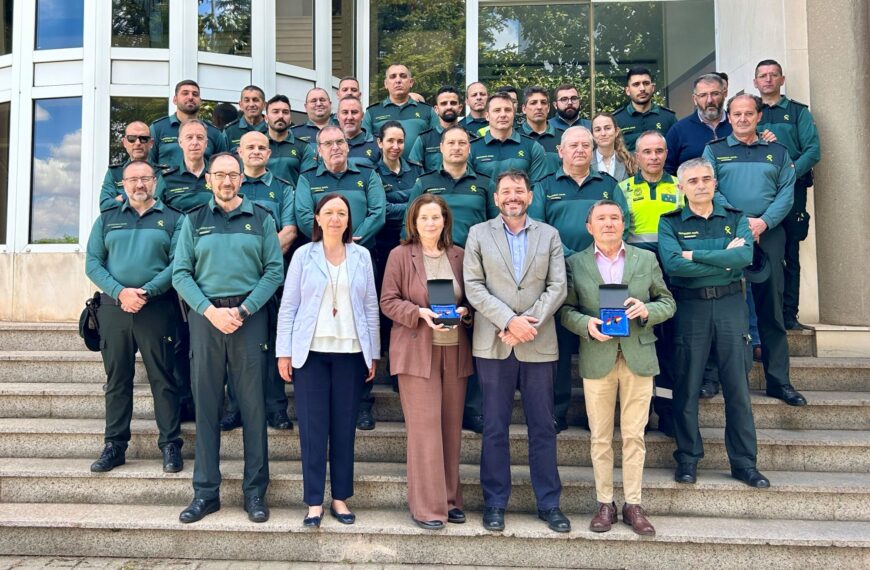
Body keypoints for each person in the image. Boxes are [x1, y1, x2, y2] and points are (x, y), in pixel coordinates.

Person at [172, 152, 283, 524]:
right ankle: (205, 493)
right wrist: (209, 311)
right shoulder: (193, 221)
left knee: (253, 408)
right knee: (206, 407)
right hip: (206, 320)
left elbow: (273, 272)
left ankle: (255, 493)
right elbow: (181, 274)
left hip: (248, 320)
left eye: (232, 175)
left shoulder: (262, 219)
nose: (225, 181)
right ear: (209, 180)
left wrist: (243, 310)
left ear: (241, 179)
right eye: (218, 175)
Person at [559, 199, 675, 536]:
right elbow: (565, 310)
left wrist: (646, 310)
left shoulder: (645, 259)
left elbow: (668, 302)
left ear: (623, 224)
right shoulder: (576, 263)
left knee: (634, 435)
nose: (609, 223)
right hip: (598, 356)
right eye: (601, 219)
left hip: (639, 356)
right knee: (599, 437)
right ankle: (605, 503)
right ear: (589, 226)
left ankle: (633, 504)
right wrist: (586, 324)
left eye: (614, 218)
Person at [463, 169, 570, 534]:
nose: (512, 196)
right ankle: (495, 502)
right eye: (506, 191)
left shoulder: (549, 235)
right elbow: (474, 287)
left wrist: (528, 323)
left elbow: (559, 286)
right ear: (496, 198)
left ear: (529, 196)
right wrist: (510, 321)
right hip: (494, 343)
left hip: (538, 343)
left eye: (519, 191)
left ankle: (549, 503)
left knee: (543, 426)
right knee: (494, 426)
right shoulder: (478, 234)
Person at [658, 157, 770, 489]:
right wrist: (721, 260)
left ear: (715, 183)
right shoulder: (671, 223)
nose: (701, 185)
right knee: (688, 385)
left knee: (737, 387)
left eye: (706, 179)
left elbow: (743, 258)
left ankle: (744, 462)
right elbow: (674, 266)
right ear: (681, 187)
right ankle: (688, 458)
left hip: (731, 306)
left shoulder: (735, 219)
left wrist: (695, 255)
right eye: (693, 181)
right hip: (690, 308)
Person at [276, 193, 380, 528]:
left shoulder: (362, 256)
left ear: (349, 220)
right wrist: (284, 351)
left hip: (351, 352)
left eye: (342, 213)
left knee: (345, 428)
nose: (335, 218)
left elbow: (370, 309)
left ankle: (340, 498)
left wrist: (373, 353)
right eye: (328, 213)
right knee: (312, 429)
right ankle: (313, 502)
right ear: (317, 219)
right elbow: (288, 306)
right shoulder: (304, 256)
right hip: (311, 355)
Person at [703, 94, 807, 407]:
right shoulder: (715, 150)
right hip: (726, 232)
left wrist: (762, 223)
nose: (743, 119)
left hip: (769, 233)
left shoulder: (777, 152)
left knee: (771, 307)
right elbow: (710, 189)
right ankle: (711, 377)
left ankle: (779, 381)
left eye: (749, 113)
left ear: (758, 116)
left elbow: (786, 194)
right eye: (737, 114)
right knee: (715, 305)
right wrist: (742, 223)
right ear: (728, 117)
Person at [85, 160, 184, 474]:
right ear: (122, 185)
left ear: (154, 182)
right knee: (117, 380)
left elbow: (178, 263)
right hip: (115, 310)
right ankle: (115, 445)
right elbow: (93, 264)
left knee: (163, 378)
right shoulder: (107, 219)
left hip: (156, 308)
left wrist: (146, 291)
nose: (139, 185)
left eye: (145, 179)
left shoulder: (173, 219)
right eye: (132, 180)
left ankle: (170, 445)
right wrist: (120, 292)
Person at [380, 193, 473, 530]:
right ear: (414, 223)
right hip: (417, 350)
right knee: (424, 430)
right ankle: (428, 508)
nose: (430, 223)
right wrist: (419, 312)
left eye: (436, 217)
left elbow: (473, 299)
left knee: (450, 428)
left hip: (455, 350)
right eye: (424, 219)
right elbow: (387, 301)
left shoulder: (460, 255)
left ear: (445, 220)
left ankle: (450, 500)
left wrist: (464, 312)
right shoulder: (401, 255)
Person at [529, 126, 629, 432]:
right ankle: (557, 411)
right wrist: (574, 257)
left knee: (598, 345)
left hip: (602, 274)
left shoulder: (609, 185)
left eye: (586, 145)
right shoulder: (545, 185)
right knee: (559, 348)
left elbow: (620, 222)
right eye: (573, 145)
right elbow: (537, 229)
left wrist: (593, 257)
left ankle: (595, 415)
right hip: (558, 276)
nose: (580, 150)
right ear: (560, 151)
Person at [405, 125, 497, 435]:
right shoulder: (425, 183)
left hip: (472, 264)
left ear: (469, 148)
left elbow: (492, 225)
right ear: (440, 148)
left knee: (470, 335)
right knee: (436, 328)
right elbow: (411, 220)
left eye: (462, 143)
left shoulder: (483, 184)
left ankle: (471, 409)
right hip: (431, 262)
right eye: (451, 143)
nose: (457, 147)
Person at [220, 131, 297, 432]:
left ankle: (276, 408)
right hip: (234, 281)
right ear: (239, 151)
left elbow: (289, 230)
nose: (255, 151)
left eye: (261, 148)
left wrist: (258, 256)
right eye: (249, 146)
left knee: (272, 345)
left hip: (271, 279)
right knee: (235, 348)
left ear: (269, 154)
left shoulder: (282, 188)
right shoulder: (227, 187)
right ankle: (235, 407)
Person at [617, 130, 682, 435]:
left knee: (668, 348)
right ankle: (634, 419)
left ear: (666, 154)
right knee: (636, 346)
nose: (654, 157)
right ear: (636, 155)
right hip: (636, 276)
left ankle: (667, 413)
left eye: (659, 151)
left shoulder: (680, 185)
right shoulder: (623, 187)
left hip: (672, 275)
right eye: (647, 151)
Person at [754, 59, 821, 330]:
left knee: (789, 254)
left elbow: (813, 151)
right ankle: (760, 317)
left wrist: (790, 172)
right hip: (759, 194)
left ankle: (789, 315)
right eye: (763, 76)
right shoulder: (747, 112)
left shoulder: (797, 113)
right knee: (757, 256)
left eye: (773, 75)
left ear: (782, 80)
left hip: (792, 192)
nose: (768, 79)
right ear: (755, 81)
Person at [373, 121, 424, 360]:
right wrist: (412, 205)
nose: (395, 146)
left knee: (410, 296)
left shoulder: (417, 170)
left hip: (414, 241)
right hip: (384, 243)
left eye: (400, 141)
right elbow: (381, 210)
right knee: (388, 296)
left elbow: (425, 203)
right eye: (390, 141)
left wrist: (399, 205)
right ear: (379, 143)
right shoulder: (372, 173)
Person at [295, 125, 386, 252]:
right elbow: (304, 216)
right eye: (328, 143)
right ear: (319, 150)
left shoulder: (368, 174)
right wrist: (332, 241)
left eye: (340, 142)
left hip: (362, 251)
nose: (335, 147)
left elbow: (378, 212)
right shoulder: (307, 179)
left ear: (347, 146)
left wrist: (351, 241)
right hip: (322, 253)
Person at [362, 64, 439, 159]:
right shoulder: (372, 112)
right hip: (383, 172)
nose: (398, 80)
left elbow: (437, 145)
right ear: (386, 84)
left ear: (411, 82)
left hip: (420, 171)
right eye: (393, 76)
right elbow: (366, 148)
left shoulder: (427, 111)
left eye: (403, 76)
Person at [469, 92, 548, 183]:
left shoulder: (532, 147)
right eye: (497, 110)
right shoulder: (472, 149)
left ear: (513, 114)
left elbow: (538, 189)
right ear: (487, 115)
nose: (503, 115)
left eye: (507, 110)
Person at [149, 79, 228, 169]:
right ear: (175, 100)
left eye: (195, 94)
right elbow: (148, 165)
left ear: (200, 101)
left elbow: (223, 167)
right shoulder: (157, 128)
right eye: (185, 93)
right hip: (167, 182)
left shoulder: (214, 132)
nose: (190, 97)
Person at [664, 74, 732, 175]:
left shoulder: (737, 126)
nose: (709, 100)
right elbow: (667, 169)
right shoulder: (679, 130)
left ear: (725, 94)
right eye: (703, 95)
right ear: (695, 99)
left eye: (715, 94)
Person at [99, 120, 169, 211]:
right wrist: (135, 197)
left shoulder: (164, 173)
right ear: (124, 142)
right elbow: (105, 205)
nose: (137, 143)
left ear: (151, 143)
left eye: (143, 138)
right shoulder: (114, 173)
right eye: (132, 138)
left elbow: (168, 207)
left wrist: (122, 198)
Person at [612, 67, 677, 151]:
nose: (642, 88)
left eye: (646, 83)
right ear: (627, 90)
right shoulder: (617, 120)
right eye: (636, 84)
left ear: (653, 87)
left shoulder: (668, 118)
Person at [161, 119, 214, 213]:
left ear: (206, 143)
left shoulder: (218, 175)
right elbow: (156, 212)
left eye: (200, 137)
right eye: (189, 137)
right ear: (180, 142)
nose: (195, 142)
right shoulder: (167, 178)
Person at [263, 94, 317, 186]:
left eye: (285, 112)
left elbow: (309, 183)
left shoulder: (303, 148)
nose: (281, 116)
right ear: (266, 118)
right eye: (275, 112)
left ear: (290, 118)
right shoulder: (256, 145)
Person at [409, 85, 463, 172]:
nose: (449, 107)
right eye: (444, 103)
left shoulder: (470, 139)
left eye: (453, 103)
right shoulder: (424, 140)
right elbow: (415, 173)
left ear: (460, 108)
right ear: (436, 109)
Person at [520, 86, 561, 177]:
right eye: (533, 103)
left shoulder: (563, 137)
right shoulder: (515, 137)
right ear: (524, 109)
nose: (539, 107)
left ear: (549, 108)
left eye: (543, 102)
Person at [338, 95, 381, 168]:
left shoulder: (377, 145)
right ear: (338, 116)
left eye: (354, 112)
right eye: (345, 112)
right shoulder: (329, 145)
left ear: (362, 116)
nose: (350, 117)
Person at [590, 112, 636, 181]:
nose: (603, 133)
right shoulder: (586, 162)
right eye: (598, 130)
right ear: (592, 135)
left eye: (607, 128)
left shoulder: (629, 160)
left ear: (616, 131)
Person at [224, 85, 268, 153]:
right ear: (241, 105)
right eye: (247, 100)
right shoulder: (229, 131)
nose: (251, 104)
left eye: (255, 100)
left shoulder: (272, 130)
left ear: (264, 105)